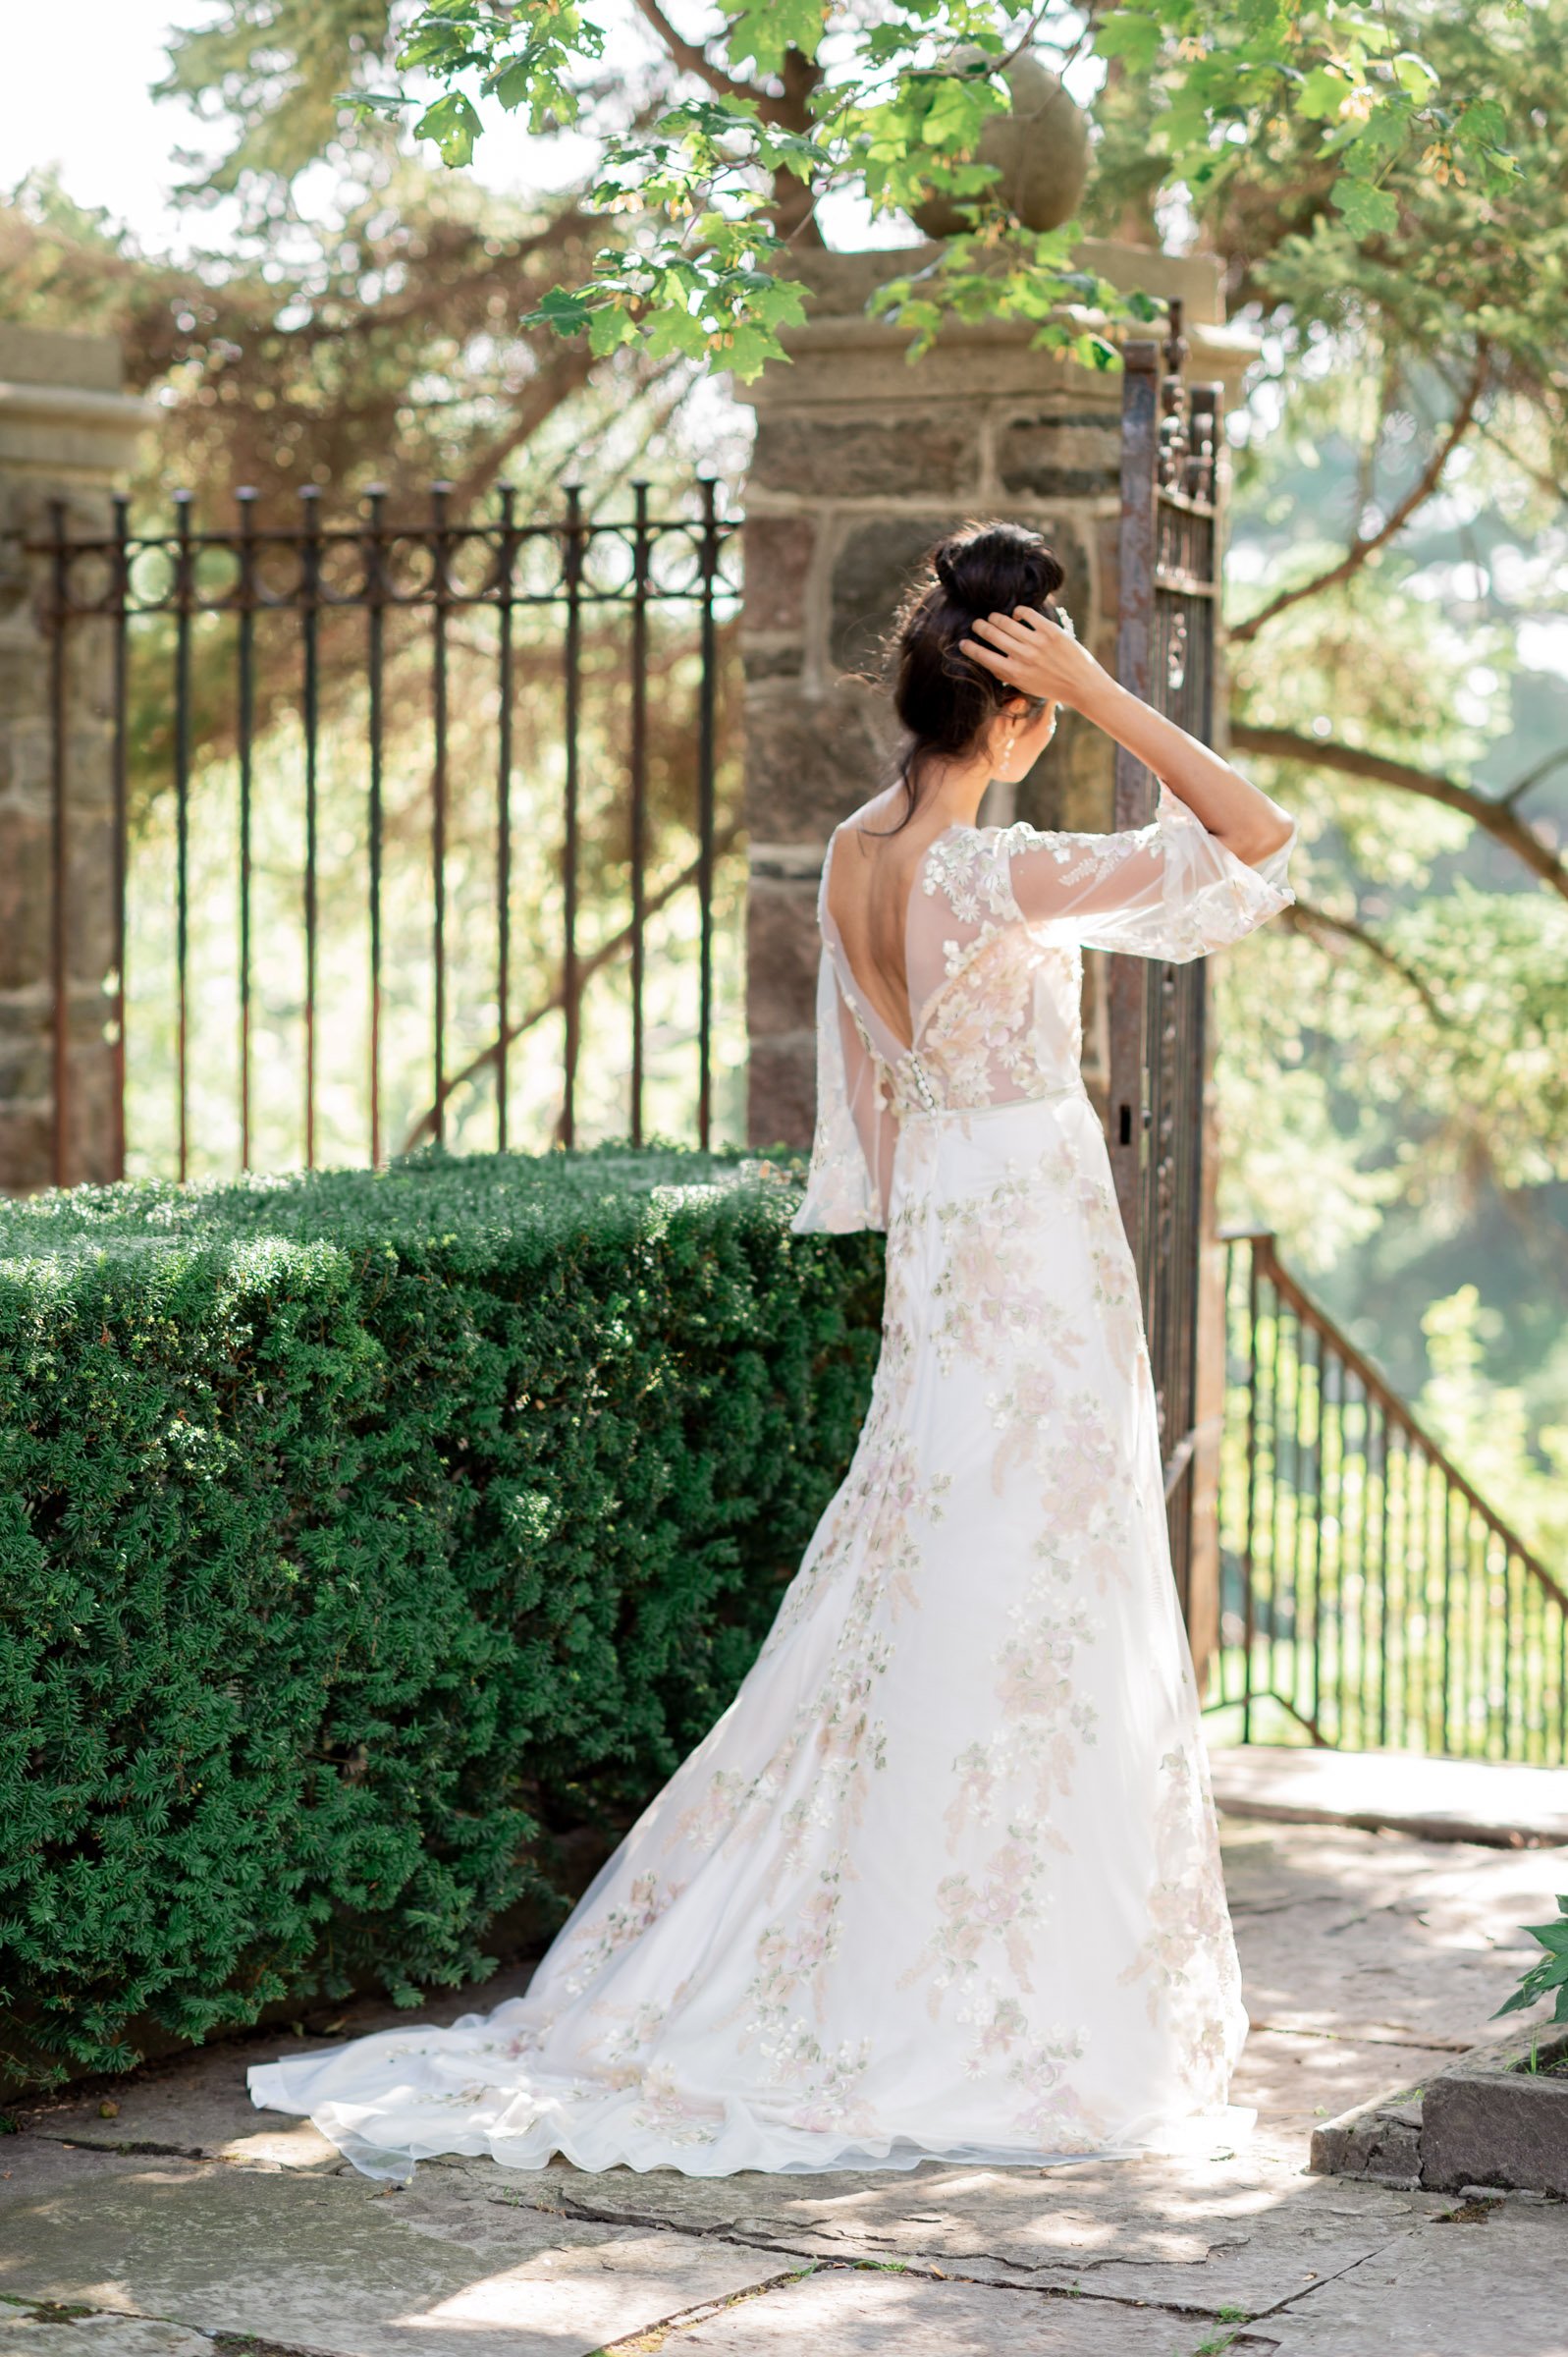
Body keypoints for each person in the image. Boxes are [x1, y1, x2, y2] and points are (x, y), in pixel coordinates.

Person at [249, 521, 1295, 2182]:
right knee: (1040, 1603)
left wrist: (932, 1267)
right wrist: (1108, 688)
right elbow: (1254, 837)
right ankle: (991, 1991)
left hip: (953, 1264)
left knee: (930, 1596)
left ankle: (887, 1952)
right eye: (1046, 697)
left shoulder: (853, 850)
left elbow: (872, 1131)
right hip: (1028, 1257)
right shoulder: (993, 871)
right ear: (1015, 710)